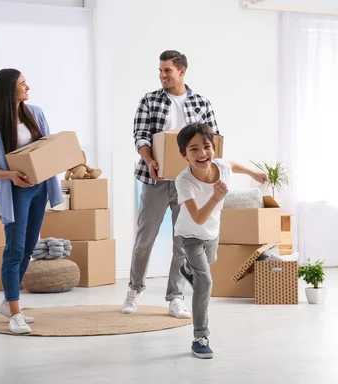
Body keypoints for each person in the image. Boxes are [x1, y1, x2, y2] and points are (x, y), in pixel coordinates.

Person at [123, 50, 220, 317]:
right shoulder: (150, 100)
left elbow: (214, 141)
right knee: (145, 238)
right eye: (161, 71)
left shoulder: (201, 103)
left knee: (182, 241)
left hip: (187, 183)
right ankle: (134, 289)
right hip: (154, 180)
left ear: (182, 71)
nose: (163, 75)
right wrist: (150, 159)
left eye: (167, 70)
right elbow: (140, 135)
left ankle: (175, 296)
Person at [0, 68, 64, 334]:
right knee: (14, 250)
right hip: (16, 192)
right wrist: (12, 175)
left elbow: (47, 147)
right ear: (8, 90)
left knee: (28, 248)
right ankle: (15, 313)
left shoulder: (35, 113)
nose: (28, 87)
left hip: (39, 189)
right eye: (23, 84)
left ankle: (8, 301)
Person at [174, 123, 268, 359]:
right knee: (205, 281)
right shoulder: (184, 181)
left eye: (207, 147)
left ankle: (187, 269)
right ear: (184, 154)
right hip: (190, 235)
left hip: (211, 235)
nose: (202, 153)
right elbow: (198, 218)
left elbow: (233, 165)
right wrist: (216, 197)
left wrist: (254, 173)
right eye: (194, 149)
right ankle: (200, 337)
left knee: (209, 261)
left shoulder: (221, 166)